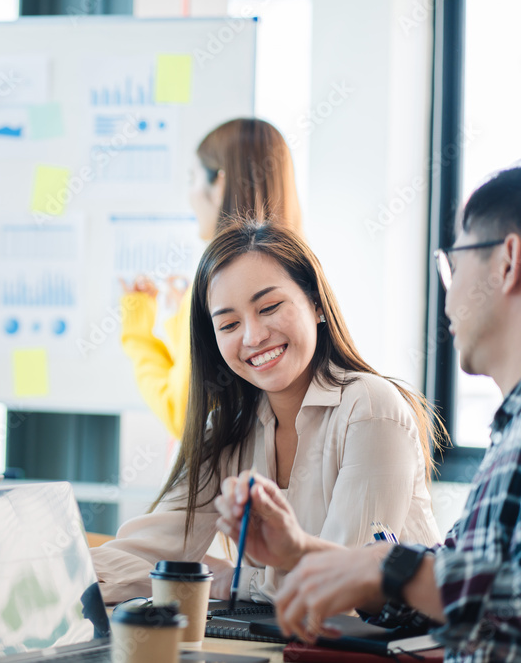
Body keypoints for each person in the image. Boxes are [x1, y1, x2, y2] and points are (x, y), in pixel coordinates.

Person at [215, 168, 521, 662]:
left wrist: (385, 567)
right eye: (228, 323)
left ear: (507, 262)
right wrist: (300, 552)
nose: (447, 295)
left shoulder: (374, 406)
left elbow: (502, 598)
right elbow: (444, 592)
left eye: (455, 263)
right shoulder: (509, 433)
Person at [91, 219, 443, 604]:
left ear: (316, 304)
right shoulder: (227, 427)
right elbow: (147, 552)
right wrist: (59, 572)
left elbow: (345, 587)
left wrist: (229, 581)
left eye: (270, 307)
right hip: (285, 636)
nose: (253, 336)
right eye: (229, 324)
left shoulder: (370, 407)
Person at [119, 118, 303, 439]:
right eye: (227, 322)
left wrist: (137, 333)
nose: (189, 195)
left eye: (192, 178)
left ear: (220, 184)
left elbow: (184, 417)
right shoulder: (299, 270)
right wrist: (183, 320)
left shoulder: (214, 284)